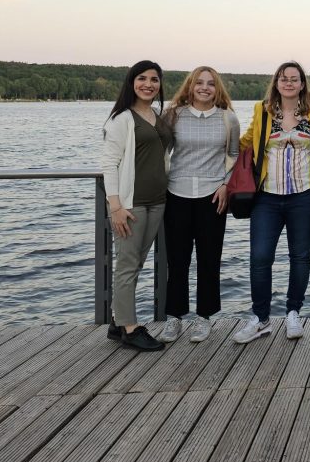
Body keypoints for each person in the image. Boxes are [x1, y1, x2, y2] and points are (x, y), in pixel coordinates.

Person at [233, 61, 310, 343]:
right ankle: (260, 318)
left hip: (305, 196)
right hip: (267, 198)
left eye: (294, 79)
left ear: (302, 83)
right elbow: (245, 142)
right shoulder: (263, 111)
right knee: (260, 257)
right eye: (284, 78)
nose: (289, 83)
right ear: (276, 83)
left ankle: (294, 313)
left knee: (300, 256)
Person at [157, 66, 239, 344]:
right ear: (190, 87)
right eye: (199, 83)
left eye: (211, 84)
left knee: (208, 260)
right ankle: (174, 318)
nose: (205, 88)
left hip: (212, 197)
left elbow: (234, 154)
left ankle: (204, 318)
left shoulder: (228, 118)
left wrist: (226, 185)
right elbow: (160, 151)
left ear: (218, 89)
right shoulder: (173, 115)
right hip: (176, 195)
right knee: (177, 261)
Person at [102, 60, 173, 352]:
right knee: (128, 265)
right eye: (142, 78)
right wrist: (115, 206)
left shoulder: (157, 115)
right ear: (132, 82)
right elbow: (109, 163)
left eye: (154, 79)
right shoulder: (121, 119)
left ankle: (118, 322)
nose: (148, 84)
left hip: (157, 201)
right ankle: (130, 329)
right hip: (131, 205)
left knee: (136, 263)